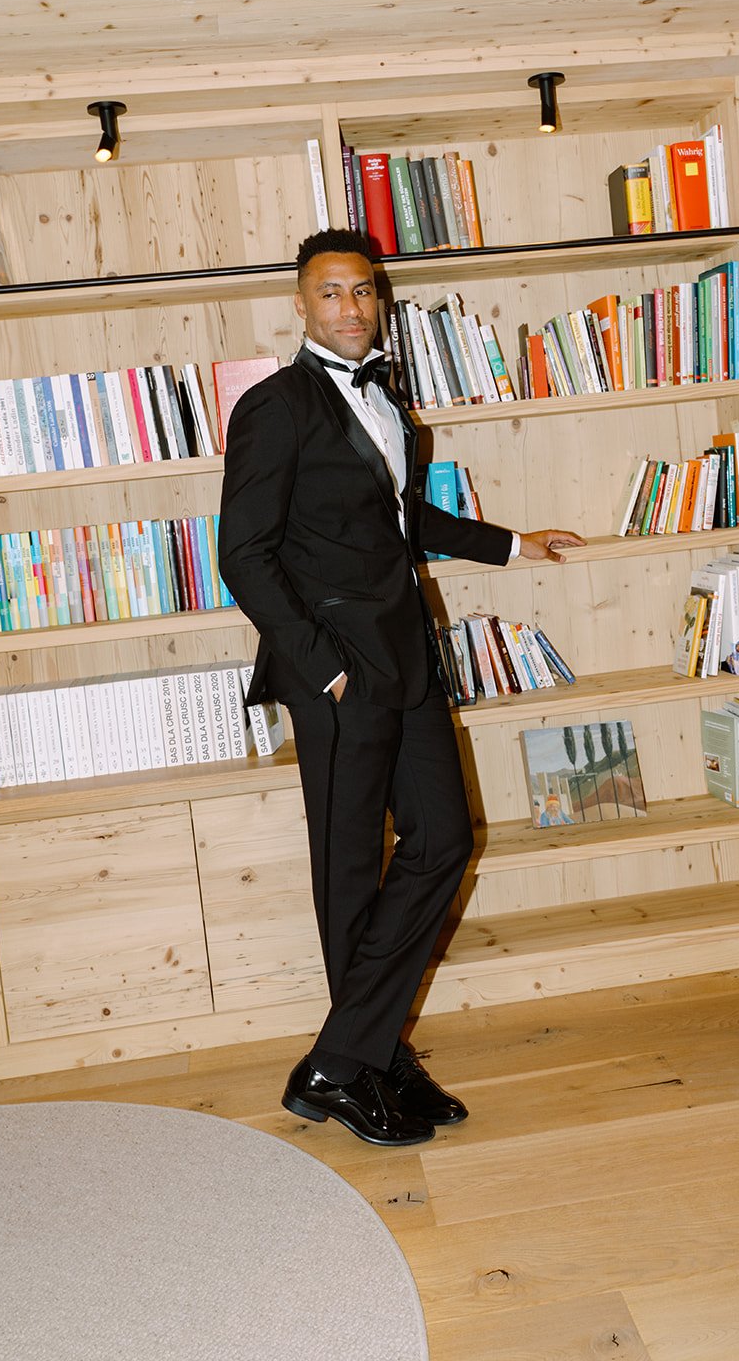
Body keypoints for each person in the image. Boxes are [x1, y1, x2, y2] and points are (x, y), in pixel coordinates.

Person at [218, 227, 584, 1147]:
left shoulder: (386, 398)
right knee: (349, 874)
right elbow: (244, 557)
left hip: (406, 655)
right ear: (302, 306)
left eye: (364, 291)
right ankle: (358, 1064)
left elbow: (395, 516)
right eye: (331, 292)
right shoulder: (275, 407)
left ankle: (350, 1057)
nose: (350, 306)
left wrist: (508, 542)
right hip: (338, 671)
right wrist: (324, 665)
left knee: (443, 839)